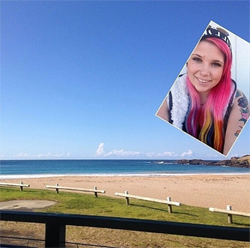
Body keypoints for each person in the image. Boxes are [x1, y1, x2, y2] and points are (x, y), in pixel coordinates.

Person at [156, 26, 250, 155]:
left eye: (216, 64)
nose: (205, 72)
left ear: (224, 70)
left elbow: (232, 153)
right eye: (197, 59)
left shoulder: (237, 101)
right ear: (187, 62)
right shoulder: (170, 94)